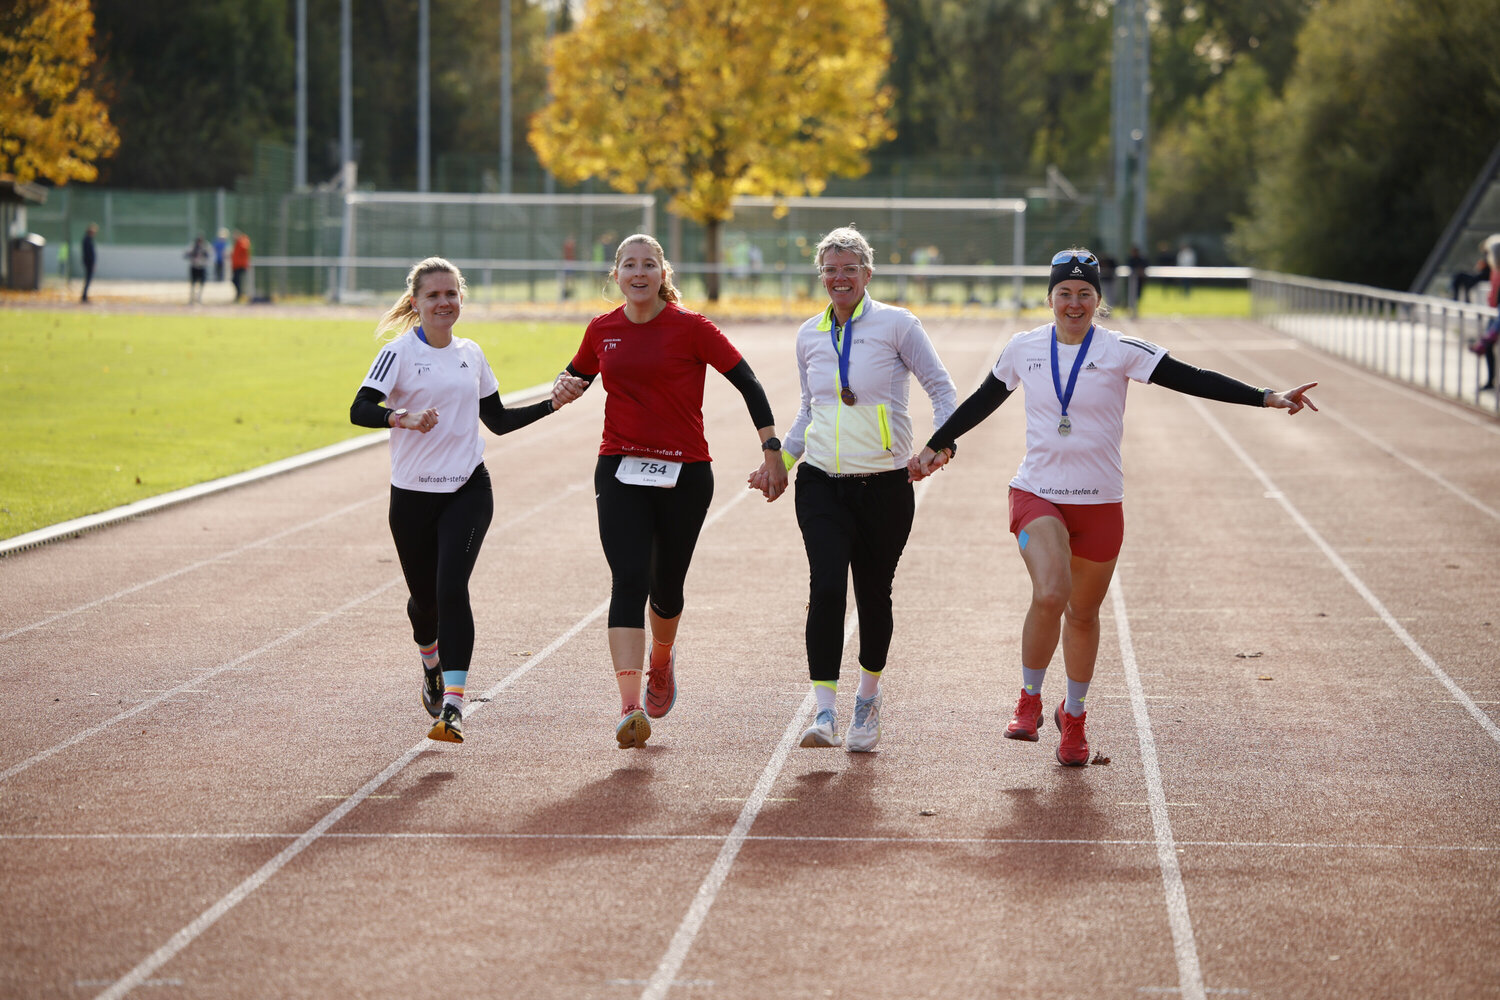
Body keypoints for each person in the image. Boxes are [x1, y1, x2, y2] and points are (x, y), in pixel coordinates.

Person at [909, 248, 1318, 766]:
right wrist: (933, 447)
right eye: (1064, 294)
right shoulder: (1024, 348)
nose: (1074, 303)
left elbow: (1191, 377)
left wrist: (1266, 396)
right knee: (1052, 591)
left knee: (1083, 614)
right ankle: (1028, 699)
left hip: (1101, 502)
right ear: (1050, 298)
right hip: (1037, 493)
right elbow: (982, 401)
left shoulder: (1122, 349)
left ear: (1098, 300)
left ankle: (1073, 716)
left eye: (1084, 294)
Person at [551, 234, 787, 749]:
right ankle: (630, 707)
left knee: (667, 587)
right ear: (616, 274)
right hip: (619, 467)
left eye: (649, 265)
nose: (639, 273)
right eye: (630, 265)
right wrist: (563, 386)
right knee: (628, 579)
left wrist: (772, 448)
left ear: (663, 273)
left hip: (685, 472)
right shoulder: (602, 329)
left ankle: (662, 660)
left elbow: (748, 382)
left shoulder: (692, 328)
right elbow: (576, 375)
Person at [349, 257, 572, 744]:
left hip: (468, 488)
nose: (444, 302)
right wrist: (401, 417)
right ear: (416, 303)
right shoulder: (399, 353)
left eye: (451, 294)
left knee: (452, 589)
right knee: (424, 604)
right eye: (433, 295)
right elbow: (360, 408)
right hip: (411, 497)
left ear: (461, 299)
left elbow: (498, 420)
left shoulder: (472, 352)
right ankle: (430, 662)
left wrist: (553, 403)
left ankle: (453, 706)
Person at [753, 225, 958, 752]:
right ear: (821, 276)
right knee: (825, 588)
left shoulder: (897, 325)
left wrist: (940, 445)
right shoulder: (809, 334)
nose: (839, 277)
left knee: (873, 593)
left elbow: (942, 389)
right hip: (821, 482)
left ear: (867, 274)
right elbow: (809, 410)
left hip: (885, 485)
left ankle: (867, 700)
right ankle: (824, 710)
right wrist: (783, 460)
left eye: (849, 268)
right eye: (830, 269)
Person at [1468, 235, 1500, 389]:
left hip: (1497, 314)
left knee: (1489, 343)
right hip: (1495, 313)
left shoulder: (1496, 270)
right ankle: (1491, 380)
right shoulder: (1494, 270)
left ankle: (1488, 338)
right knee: (1489, 346)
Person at [185, 235, 211, 304]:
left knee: (202, 283)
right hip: (194, 267)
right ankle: (192, 298)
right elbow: (186, 254)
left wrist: (203, 255)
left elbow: (208, 255)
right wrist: (193, 256)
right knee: (193, 283)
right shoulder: (193, 246)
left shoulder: (205, 246)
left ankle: (199, 298)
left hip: (202, 267)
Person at [230, 229, 252, 302]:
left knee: (238, 281)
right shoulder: (237, 243)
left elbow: (245, 248)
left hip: (240, 265)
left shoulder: (242, 241)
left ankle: (240, 295)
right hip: (236, 265)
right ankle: (239, 294)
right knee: (235, 280)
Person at [80, 224, 97, 304]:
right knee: (87, 280)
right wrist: (92, 263)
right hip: (88, 263)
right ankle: (84, 296)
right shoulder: (87, 240)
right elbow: (89, 254)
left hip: (88, 262)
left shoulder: (88, 240)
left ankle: (84, 295)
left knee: (88, 280)